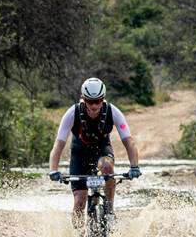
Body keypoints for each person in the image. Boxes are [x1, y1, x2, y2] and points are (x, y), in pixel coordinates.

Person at [49, 77, 141, 220]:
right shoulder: (72, 113)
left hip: (102, 149)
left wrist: (134, 166)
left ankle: (109, 209)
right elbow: (58, 144)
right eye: (90, 101)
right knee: (80, 201)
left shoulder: (113, 111)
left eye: (98, 101)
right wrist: (53, 169)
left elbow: (129, 141)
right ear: (83, 99)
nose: (94, 106)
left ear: (103, 99)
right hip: (79, 153)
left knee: (107, 167)